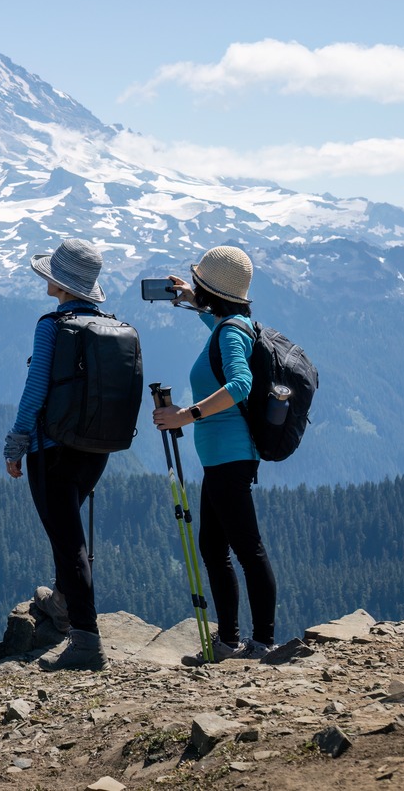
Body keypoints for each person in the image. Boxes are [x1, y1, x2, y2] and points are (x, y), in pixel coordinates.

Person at [151, 245, 277, 662]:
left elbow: (239, 383)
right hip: (221, 458)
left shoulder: (229, 332)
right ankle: (229, 642)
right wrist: (192, 301)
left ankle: (260, 644)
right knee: (213, 548)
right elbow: (222, 324)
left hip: (230, 456)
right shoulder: (232, 324)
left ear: (211, 290)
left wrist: (187, 415)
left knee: (246, 549)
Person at [4, 238, 112, 672]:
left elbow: (35, 391)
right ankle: (63, 598)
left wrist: (17, 443)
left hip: (52, 450)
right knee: (67, 530)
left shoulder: (51, 326)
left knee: (69, 542)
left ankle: (85, 638)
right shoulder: (106, 326)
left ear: (60, 283)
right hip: (95, 448)